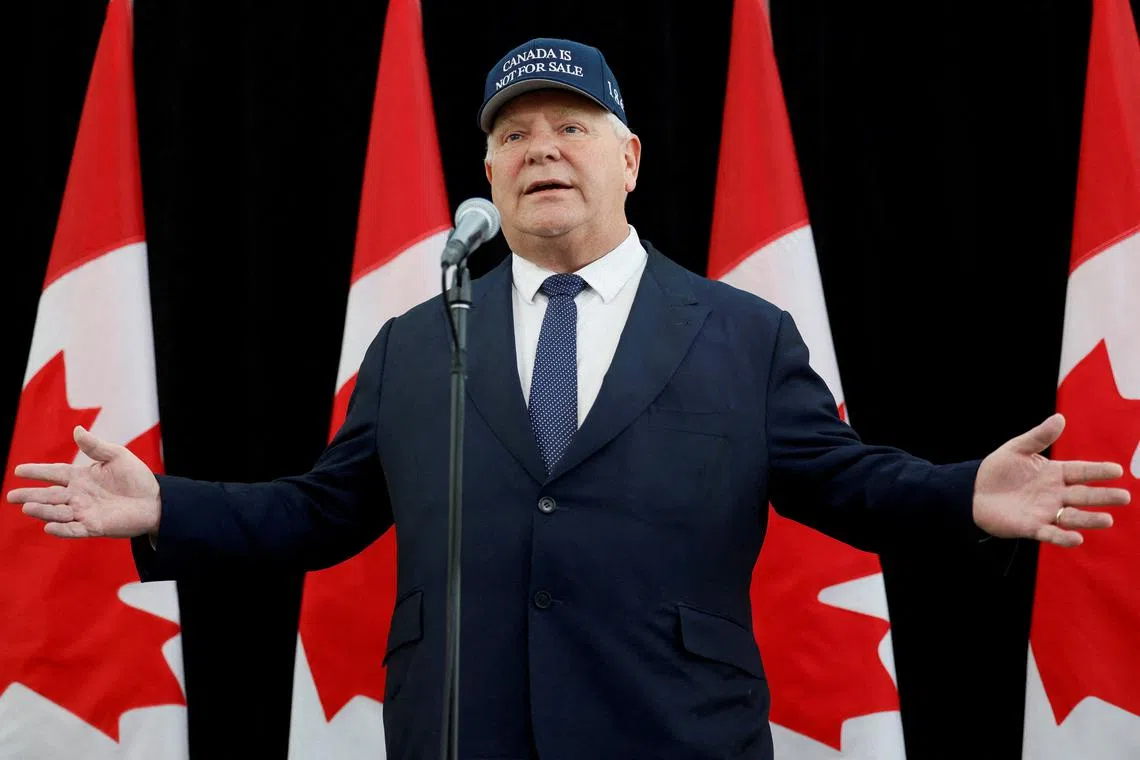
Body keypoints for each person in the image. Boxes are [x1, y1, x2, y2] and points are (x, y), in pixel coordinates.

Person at [7, 37, 1130, 760]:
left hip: (670, 732)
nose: (541, 147)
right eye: (512, 135)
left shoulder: (740, 334)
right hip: (463, 732)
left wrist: (961, 491)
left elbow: (845, 481)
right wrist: (167, 508)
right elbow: (325, 509)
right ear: (486, 175)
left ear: (629, 156)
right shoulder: (416, 344)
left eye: (570, 126)